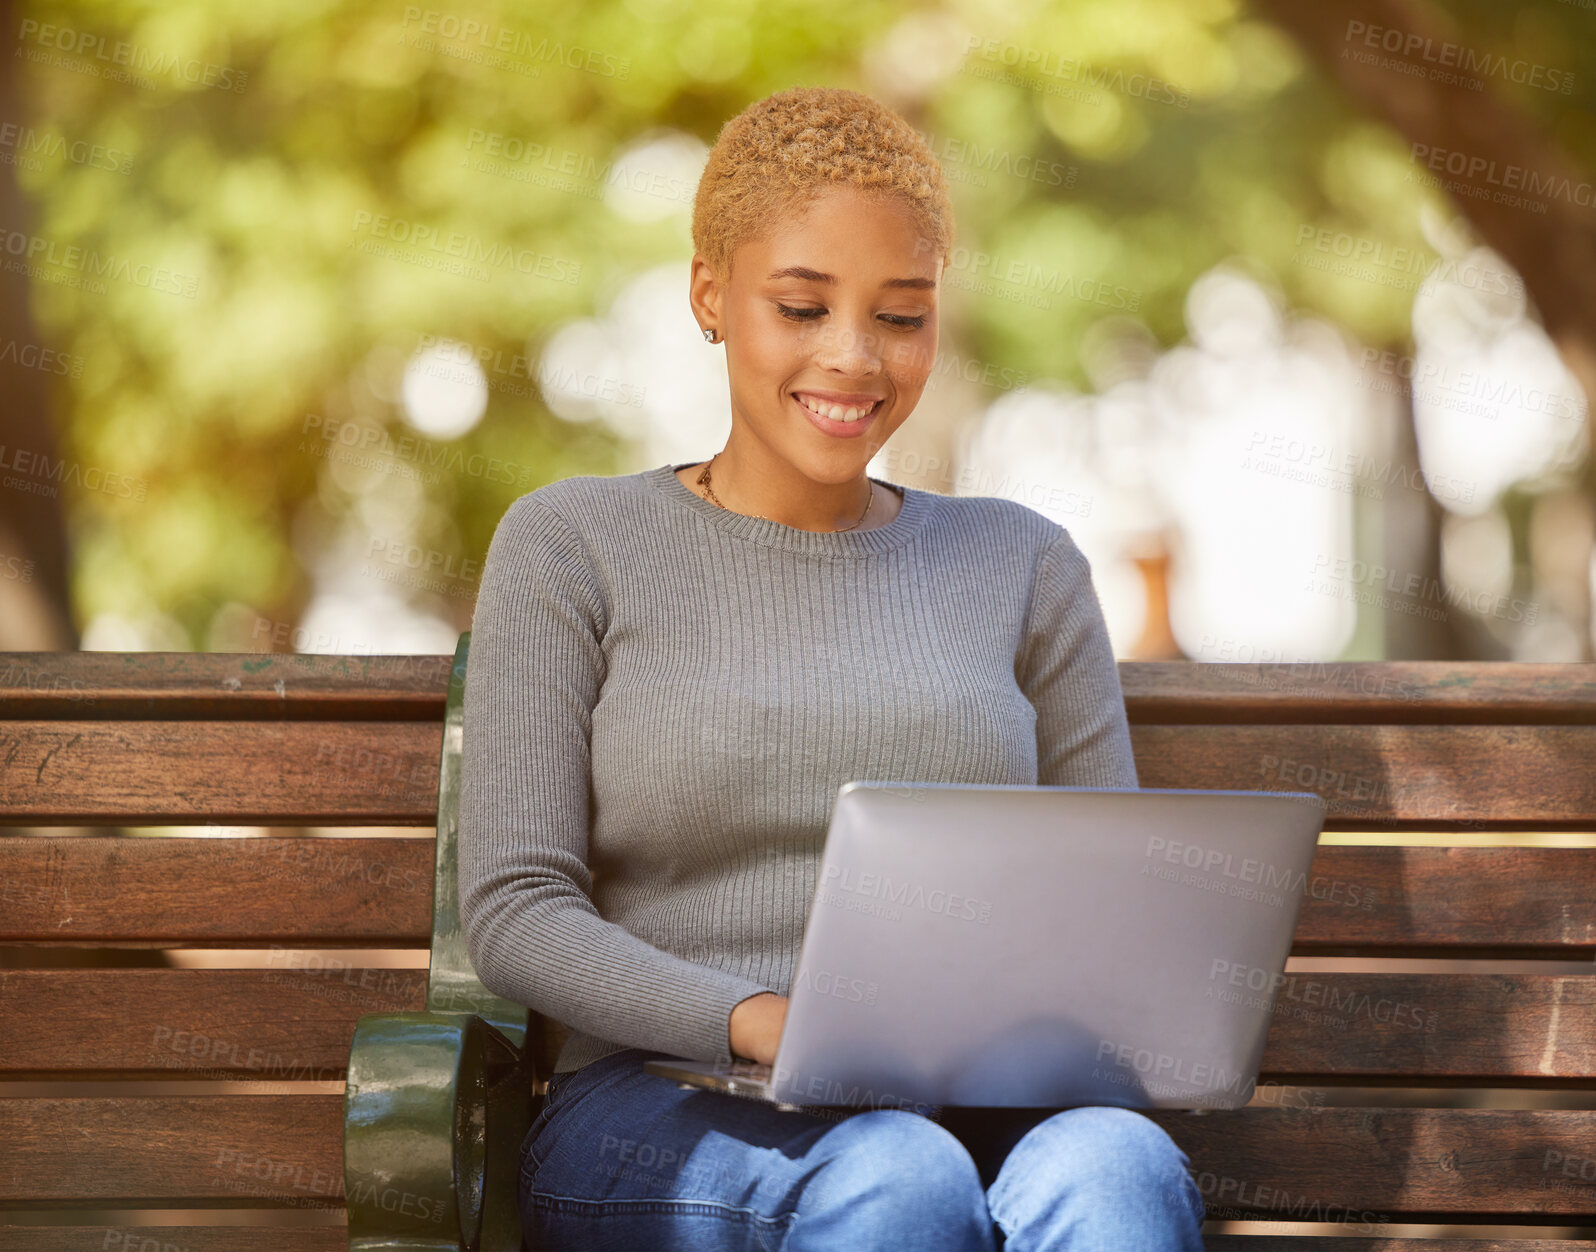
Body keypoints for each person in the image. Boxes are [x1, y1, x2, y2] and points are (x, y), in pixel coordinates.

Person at [458, 84, 1207, 1251]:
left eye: (901, 317)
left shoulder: (1022, 564)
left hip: (979, 1103)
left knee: (1114, 1164)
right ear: (710, 294)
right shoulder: (573, 546)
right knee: (895, 1177)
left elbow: (1098, 910)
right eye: (802, 306)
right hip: (668, 1099)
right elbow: (516, 909)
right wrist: (763, 1021)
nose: (853, 360)